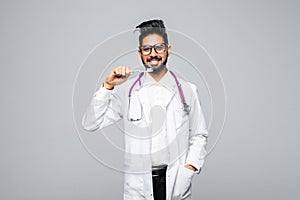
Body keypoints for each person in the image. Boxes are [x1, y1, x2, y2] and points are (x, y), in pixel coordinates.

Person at [82, 19, 208, 200]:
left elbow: (199, 135)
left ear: (168, 50)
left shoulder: (188, 90)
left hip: (176, 182)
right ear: (140, 53)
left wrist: (190, 168)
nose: (153, 54)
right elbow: (90, 123)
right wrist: (108, 86)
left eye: (159, 47)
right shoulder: (126, 90)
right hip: (139, 185)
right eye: (147, 49)